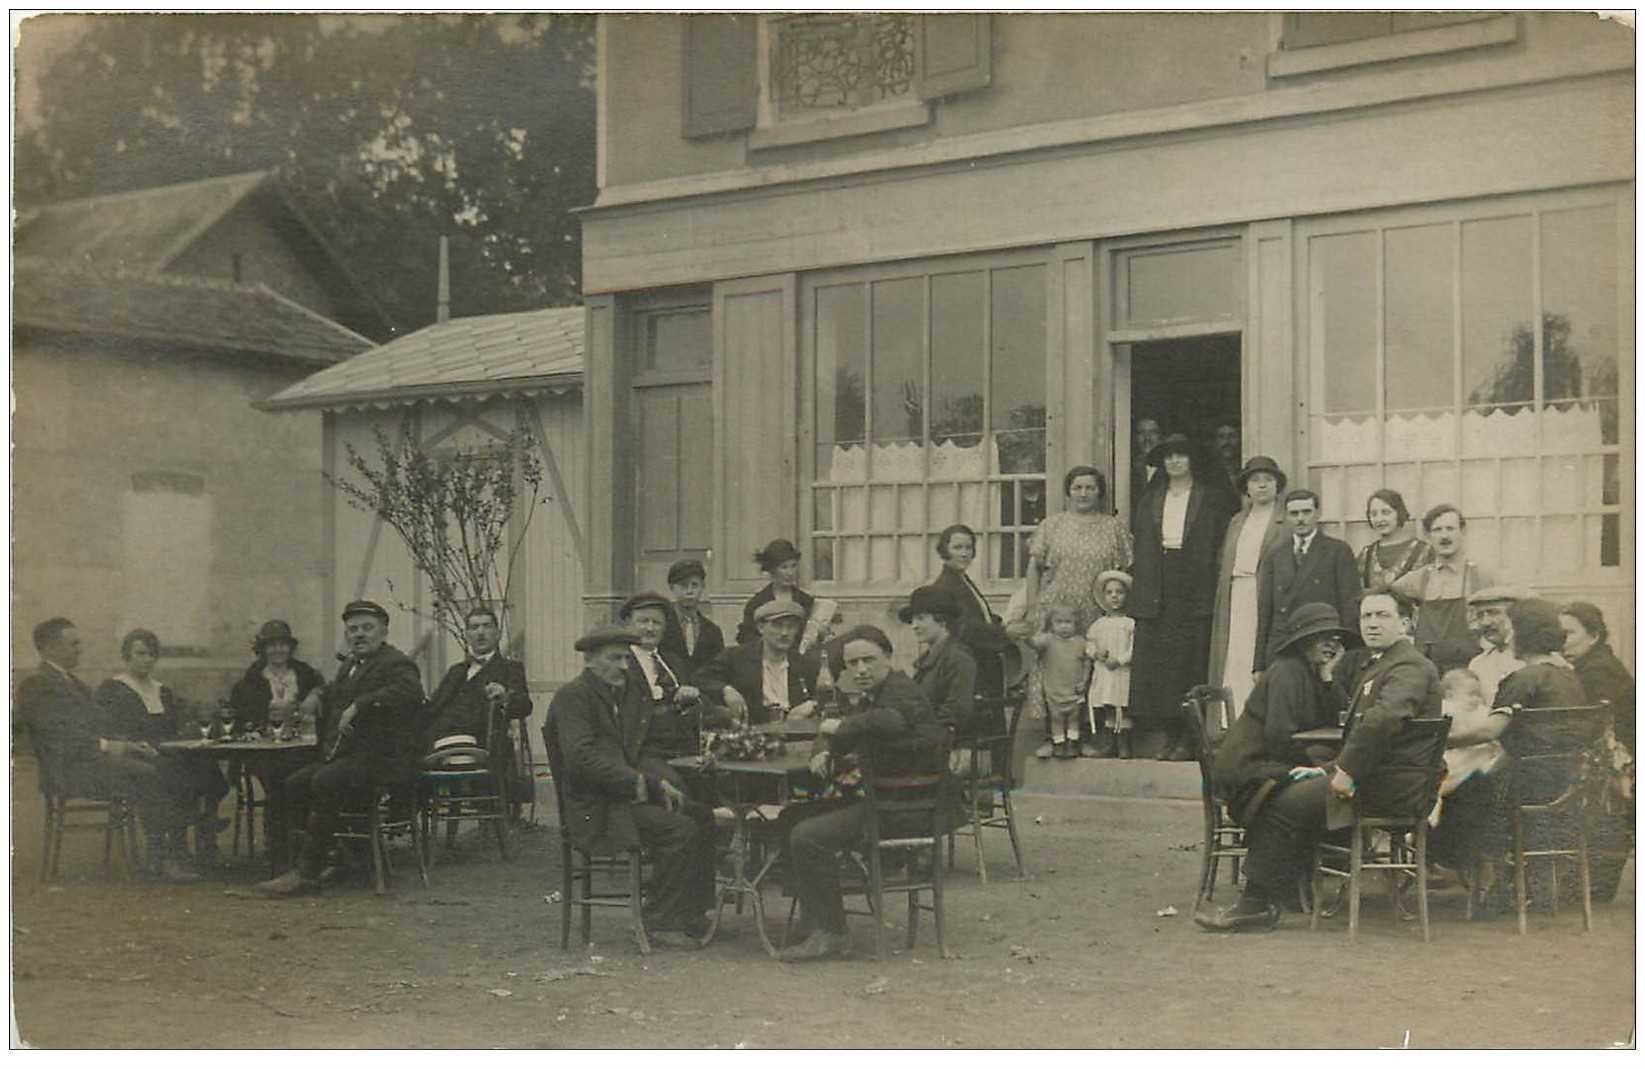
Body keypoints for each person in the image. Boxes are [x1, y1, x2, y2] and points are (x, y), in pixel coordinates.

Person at [1195, 588, 1443, 932]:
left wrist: (1344, 770)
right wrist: (1327, 769)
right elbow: (1360, 731)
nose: (1372, 624)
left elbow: (1383, 721)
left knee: (1287, 800)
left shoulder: (1409, 667)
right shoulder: (1385, 665)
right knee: (1291, 789)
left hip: (1394, 785)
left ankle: (1256, 903)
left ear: (1405, 622)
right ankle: (1277, 894)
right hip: (1381, 776)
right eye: (1366, 616)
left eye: (1382, 616)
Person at [545, 625, 717, 949]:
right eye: (615, 659)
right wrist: (642, 783)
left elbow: (634, 749)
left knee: (702, 816)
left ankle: (692, 912)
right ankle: (660, 921)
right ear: (590, 661)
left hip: (621, 800)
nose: (625, 666)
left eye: (626, 658)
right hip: (595, 808)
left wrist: (658, 781)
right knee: (680, 830)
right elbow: (582, 759)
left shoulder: (618, 696)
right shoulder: (573, 697)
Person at [779, 625, 937, 962]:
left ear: (889, 658)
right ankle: (815, 919)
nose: (861, 670)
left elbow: (888, 722)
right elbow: (841, 725)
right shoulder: (874, 695)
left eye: (869, 660)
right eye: (852, 664)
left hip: (903, 808)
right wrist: (823, 748)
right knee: (791, 817)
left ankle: (832, 933)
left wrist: (839, 729)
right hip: (883, 799)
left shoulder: (900, 691)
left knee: (807, 835)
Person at [255, 600, 425, 896]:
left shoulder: (396, 663)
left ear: (384, 632)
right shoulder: (351, 665)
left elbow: (409, 692)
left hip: (383, 761)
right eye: (353, 630)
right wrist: (317, 694)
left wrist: (360, 705)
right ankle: (330, 859)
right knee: (293, 783)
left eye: (367, 628)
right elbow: (334, 690)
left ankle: (308, 871)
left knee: (325, 780)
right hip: (350, 757)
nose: (359, 635)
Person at [1428, 599, 1591, 902]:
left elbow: (1489, 731)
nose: (1509, 636)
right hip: (1563, 783)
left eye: (1512, 629)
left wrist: (1439, 741)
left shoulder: (1524, 679)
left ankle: (1489, 882)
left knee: (1450, 792)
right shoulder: (1569, 676)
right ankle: (1498, 880)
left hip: (1523, 785)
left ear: (1524, 633)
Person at [16, 617, 198, 882]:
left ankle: (171, 851)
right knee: (150, 773)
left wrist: (130, 744)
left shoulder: (72, 682)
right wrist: (113, 746)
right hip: (68, 771)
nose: (80, 649)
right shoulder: (37, 684)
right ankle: (162, 857)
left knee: (166, 763)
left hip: (91, 762)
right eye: (73, 644)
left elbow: (102, 723)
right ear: (50, 647)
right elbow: (60, 738)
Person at [1211, 603, 1354, 846]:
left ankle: (1324, 856)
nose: (1331, 645)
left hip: (1274, 759)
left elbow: (1340, 716)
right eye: (1322, 638)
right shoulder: (1286, 672)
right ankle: (1306, 858)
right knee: (1325, 786)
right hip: (1250, 768)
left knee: (1331, 777)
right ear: (1303, 640)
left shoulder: (1312, 672)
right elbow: (1279, 737)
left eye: (1334, 638)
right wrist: (1317, 764)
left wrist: (1328, 675)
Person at [1130, 434, 1236, 761]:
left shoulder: (1211, 498)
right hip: (1158, 583)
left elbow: (1221, 543)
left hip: (1194, 583)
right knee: (1162, 665)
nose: (1175, 462)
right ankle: (1169, 733)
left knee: (1190, 660)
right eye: (1169, 457)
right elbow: (1143, 545)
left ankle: (1192, 737)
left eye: (1181, 456)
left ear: (1192, 461)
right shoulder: (1151, 499)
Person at [96, 628, 230, 867]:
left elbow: (175, 727)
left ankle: (205, 836)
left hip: (166, 751)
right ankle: (176, 847)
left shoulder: (162, 690)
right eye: (140, 653)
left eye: (151, 655)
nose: (147, 659)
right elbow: (108, 729)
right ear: (127, 656)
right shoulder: (113, 689)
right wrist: (134, 747)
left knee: (206, 765)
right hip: (134, 756)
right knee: (171, 773)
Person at [1024, 464, 1133, 756]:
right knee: (1055, 669)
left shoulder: (1113, 527)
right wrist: (1034, 607)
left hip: (1095, 612)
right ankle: (1052, 735)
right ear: (1068, 492)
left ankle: (1085, 735)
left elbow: (1123, 569)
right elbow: (1034, 568)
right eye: (1077, 488)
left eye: (1090, 488)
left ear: (1100, 493)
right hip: (1056, 611)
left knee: (1088, 669)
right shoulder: (1052, 525)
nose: (1084, 493)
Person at [227, 619, 328, 861]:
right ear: (263, 649)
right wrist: (258, 724)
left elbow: (326, 688)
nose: (278, 650)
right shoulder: (251, 680)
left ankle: (303, 842)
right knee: (278, 777)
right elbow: (240, 718)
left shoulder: (304, 674)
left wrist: (316, 694)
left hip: (301, 746)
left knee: (307, 775)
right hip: (265, 751)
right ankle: (278, 846)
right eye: (271, 646)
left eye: (282, 645)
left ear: (290, 648)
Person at [1560, 601, 1636, 903]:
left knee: (1606, 807)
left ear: (1593, 636)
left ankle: (1598, 884)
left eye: (1569, 633)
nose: (1562, 641)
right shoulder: (1588, 665)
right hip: (1613, 751)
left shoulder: (1599, 669)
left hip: (1622, 754)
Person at [1208, 455, 1290, 719]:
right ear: (1247, 488)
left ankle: (1259, 721)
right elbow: (1223, 559)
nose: (1262, 485)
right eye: (1255, 480)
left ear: (1277, 486)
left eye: (1268, 480)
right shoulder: (1237, 521)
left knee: (1260, 656)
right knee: (1234, 656)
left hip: (1266, 596)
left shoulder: (1285, 521)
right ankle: (1229, 721)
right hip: (1236, 595)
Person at [1252, 488, 1362, 678]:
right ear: (1286, 516)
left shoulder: (1337, 551)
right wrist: (1259, 664)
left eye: (1306, 512)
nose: (1300, 519)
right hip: (1282, 646)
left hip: (1322, 644)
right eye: (1294, 514)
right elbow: (1264, 613)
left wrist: (1349, 654)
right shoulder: (1274, 554)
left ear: (1317, 514)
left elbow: (1350, 606)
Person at [1392, 504, 1493, 675]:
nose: (1444, 536)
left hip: (1470, 671)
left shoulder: (1481, 576)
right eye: (1437, 530)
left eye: (1450, 529)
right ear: (1428, 536)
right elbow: (1383, 599)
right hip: (1427, 672)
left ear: (1463, 532)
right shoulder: (1417, 579)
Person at [621, 591, 716, 761]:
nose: (650, 628)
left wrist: (694, 694)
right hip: (645, 751)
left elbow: (701, 703)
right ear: (628, 624)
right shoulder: (622, 663)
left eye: (657, 623)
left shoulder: (673, 662)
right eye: (643, 621)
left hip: (685, 748)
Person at [929, 523, 1012, 706]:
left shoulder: (962, 580)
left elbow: (980, 615)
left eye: (968, 547)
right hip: (970, 665)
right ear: (944, 550)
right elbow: (965, 629)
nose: (964, 553)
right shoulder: (944, 587)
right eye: (957, 548)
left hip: (983, 662)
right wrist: (1005, 633)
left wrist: (1003, 623)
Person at [701, 598, 821, 725]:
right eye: (777, 625)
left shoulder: (805, 664)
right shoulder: (737, 657)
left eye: (791, 627)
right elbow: (701, 678)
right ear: (761, 627)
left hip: (795, 735)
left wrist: (813, 705)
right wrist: (726, 689)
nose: (784, 633)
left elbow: (832, 696)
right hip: (752, 732)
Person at [900, 585, 979, 736]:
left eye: (921, 618)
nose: (914, 626)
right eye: (912, 620)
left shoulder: (959, 659)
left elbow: (957, 710)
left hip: (940, 739)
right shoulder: (927, 659)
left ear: (942, 621)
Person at [1085, 570, 1136, 758]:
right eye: (1109, 592)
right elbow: (1089, 643)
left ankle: (1124, 744)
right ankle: (1109, 744)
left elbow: (1135, 647)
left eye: (1119, 592)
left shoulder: (1130, 623)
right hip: (1105, 672)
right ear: (1104, 597)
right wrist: (1095, 653)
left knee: (1122, 706)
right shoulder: (1098, 624)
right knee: (1108, 706)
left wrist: (1121, 660)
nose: (1114, 596)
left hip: (1121, 672)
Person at [1031, 604, 1091, 759]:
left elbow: (1088, 661)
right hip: (1055, 688)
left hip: (1074, 688)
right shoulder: (1048, 640)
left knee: (1074, 717)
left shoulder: (1080, 642)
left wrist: (1084, 681)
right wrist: (1024, 636)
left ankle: (1072, 743)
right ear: (1051, 624)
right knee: (1056, 717)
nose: (1064, 626)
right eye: (1059, 622)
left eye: (1068, 622)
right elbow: (1034, 644)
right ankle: (1058, 743)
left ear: (1076, 624)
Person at [735, 538, 815, 646]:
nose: (790, 573)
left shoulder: (806, 601)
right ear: (771, 570)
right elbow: (747, 639)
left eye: (793, 566)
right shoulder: (757, 603)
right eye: (784, 567)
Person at [658, 559, 726, 685]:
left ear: (702, 587)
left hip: (703, 696)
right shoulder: (661, 626)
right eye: (683, 585)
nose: (689, 591)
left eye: (695, 585)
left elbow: (718, 670)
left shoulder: (712, 631)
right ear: (672, 588)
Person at [1357, 489, 1433, 589]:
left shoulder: (1423, 551)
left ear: (1399, 513)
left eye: (1386, 512)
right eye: (1374, 514)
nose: (1379, 519)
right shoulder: (1366, 555)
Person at [1466, 586, 1528, 703]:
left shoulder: (1534, 658)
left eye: (1493, 613)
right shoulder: (1478, 664)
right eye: (1480, 615)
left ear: (1516, 616)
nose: (1485, 622)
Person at [1129, 417, 1163, 519]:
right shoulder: (1128, 467)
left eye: (1153, 432)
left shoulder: (1171, 467)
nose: (1147, 438)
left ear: (1161, 436)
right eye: (1141, 433)